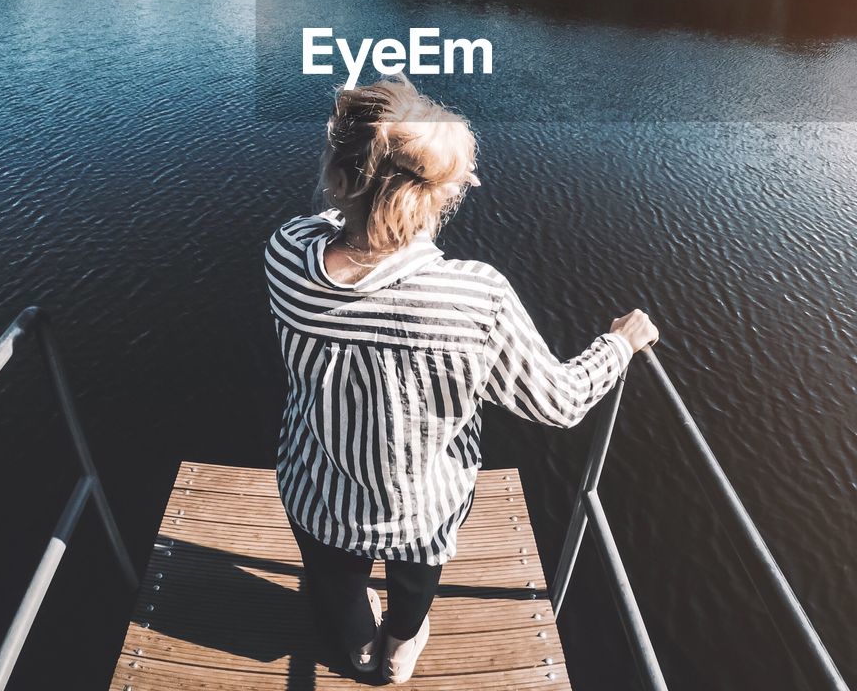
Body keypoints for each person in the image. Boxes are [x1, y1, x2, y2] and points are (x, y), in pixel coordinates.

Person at [264, 76, 659, 683]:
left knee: (335, 579)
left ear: (342, 175)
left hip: (317, 489)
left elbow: (331, 220)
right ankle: (396, 652)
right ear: (432, 198)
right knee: (414, 582)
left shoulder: (286, 253)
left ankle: (356, 645)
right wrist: (619, 344)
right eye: (459, 181)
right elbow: (559, 402)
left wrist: (369, 187)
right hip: (421, 504)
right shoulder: (472, 298)